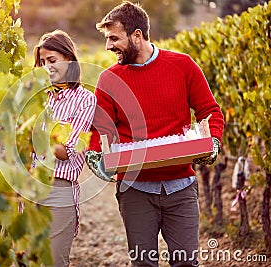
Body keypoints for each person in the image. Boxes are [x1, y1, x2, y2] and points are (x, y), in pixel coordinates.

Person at [85, 2, 224, 267]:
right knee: (144, 264)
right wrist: (95, 155)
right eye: (107, 39)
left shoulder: (182, 65)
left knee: (185, 263)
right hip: (134, 190)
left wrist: (213, 140)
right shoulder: (108, 79)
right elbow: (101, 130)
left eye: (114, 38)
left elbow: (209, 110)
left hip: (181, 186)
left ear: (137, 35)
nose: (108, 46)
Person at [33, 29, 96, 267]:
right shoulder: (37, 97)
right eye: (42, 62)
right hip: (28, 183)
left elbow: (67, 151)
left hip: (59, 188)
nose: (46, 67)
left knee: (54, 261)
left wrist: (32, 133)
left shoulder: (84, 99)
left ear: (69, 59)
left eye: (52, 60)